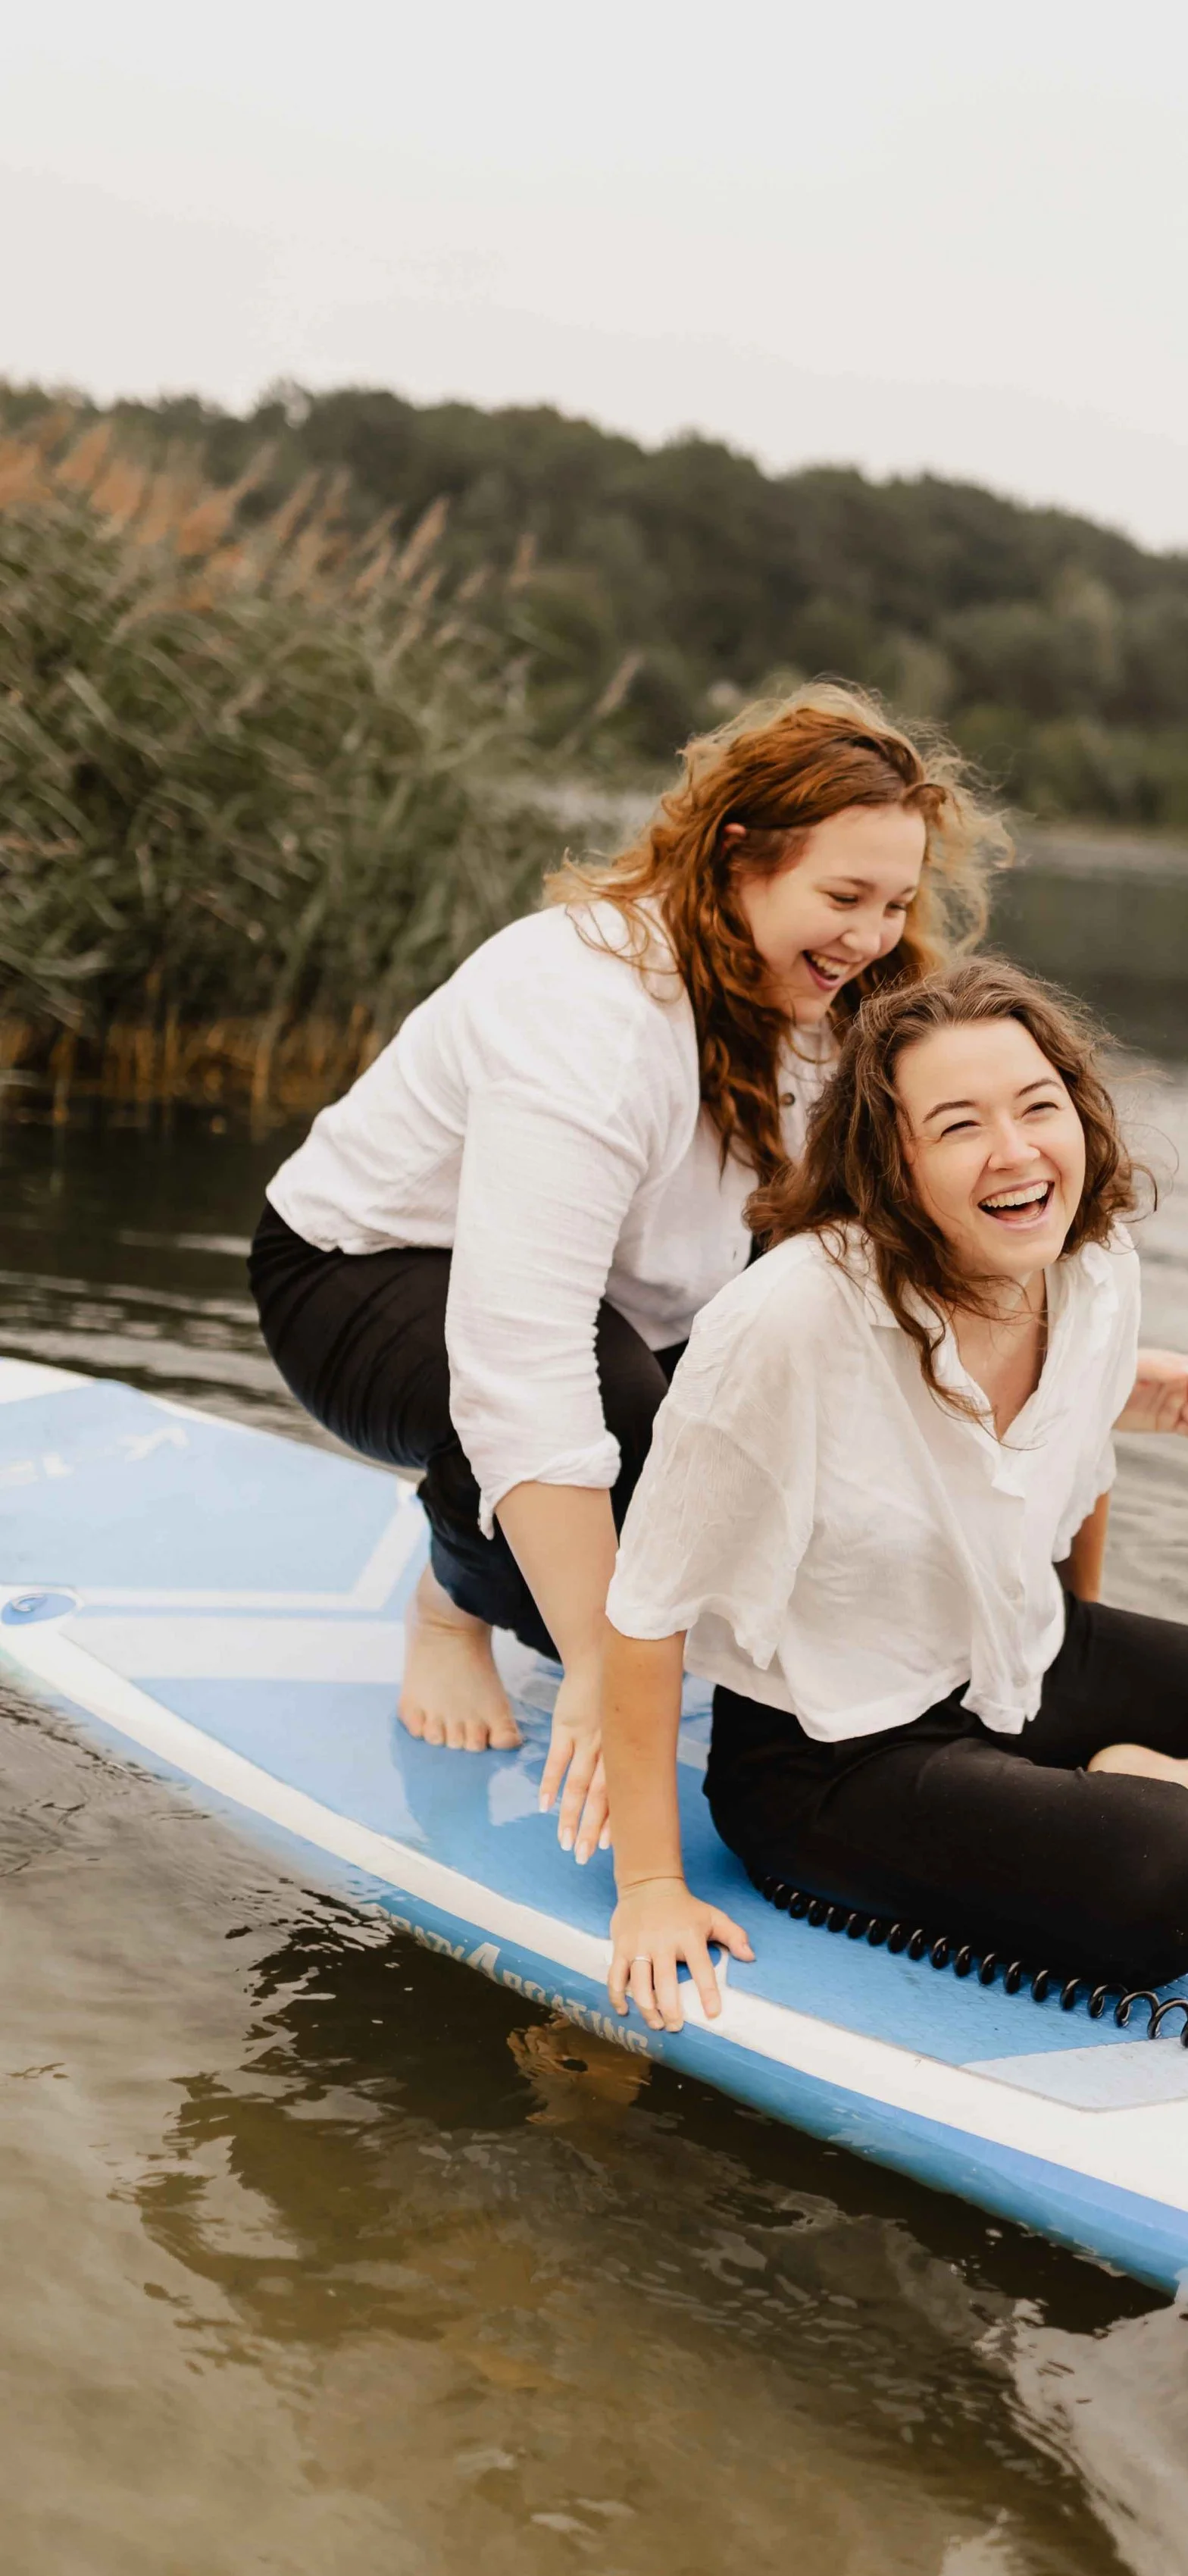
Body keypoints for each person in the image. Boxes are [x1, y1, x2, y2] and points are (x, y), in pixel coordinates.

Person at [596, 956, 1188, 2033]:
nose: (1019, 1151)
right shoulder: (788, 1321)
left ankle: (1119, 1769)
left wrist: (1079, 1643)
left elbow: (1077, 1470)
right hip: (834, 1756)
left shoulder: (1091, 1264)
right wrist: (652, 1886)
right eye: (959, 1126)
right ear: (890, 1161)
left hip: (1016, 1657)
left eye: (1039, 1106)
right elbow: (646, 1605)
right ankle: (1162, 1786)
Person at [249, 682, 1005, 1847]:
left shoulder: (825, 993)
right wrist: (610, 1670)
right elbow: (522, 1359)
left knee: (731, 1445)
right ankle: (450, 1606)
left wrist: (1061, 1356)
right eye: (843, 895)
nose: (870, 936)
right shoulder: (587, 1008)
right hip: (358, 1266)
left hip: (609, 1299)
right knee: (612, 1427)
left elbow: (860, 1260)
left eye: (896, 902)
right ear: (738, 855)